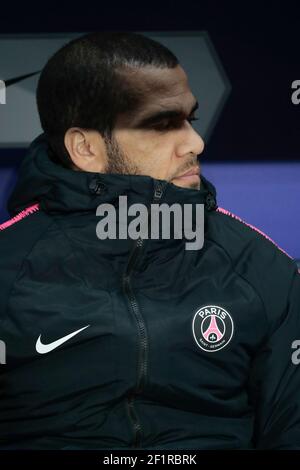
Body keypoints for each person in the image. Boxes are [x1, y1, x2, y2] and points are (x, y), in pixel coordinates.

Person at [0, 31, 299, 450]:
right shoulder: (8, 267)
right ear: (85, 147)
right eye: (161, 124)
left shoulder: (258, 264)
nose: (195, 142)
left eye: (189, 119)